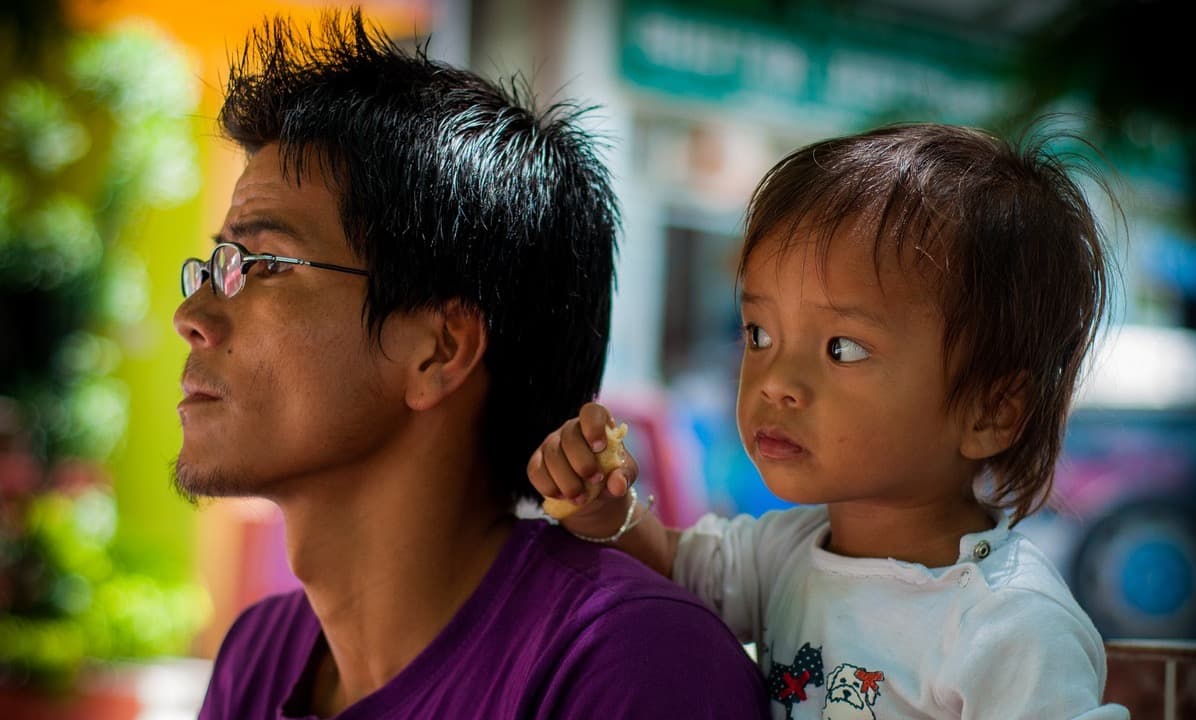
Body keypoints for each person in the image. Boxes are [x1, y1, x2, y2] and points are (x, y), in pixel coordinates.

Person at [175, 10, 769, 719]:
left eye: (261, 263)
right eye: (215, 265)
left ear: (440, 349)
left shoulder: (629, 661)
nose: (193, 317)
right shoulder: (260, 654)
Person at [529, 122, 1132, 718]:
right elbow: (665, 562)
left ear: (990, 411)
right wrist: (604, 504)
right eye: (760, 334)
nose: (776, 383)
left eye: (842, 347)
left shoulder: (1011, 627)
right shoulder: (785, 554)